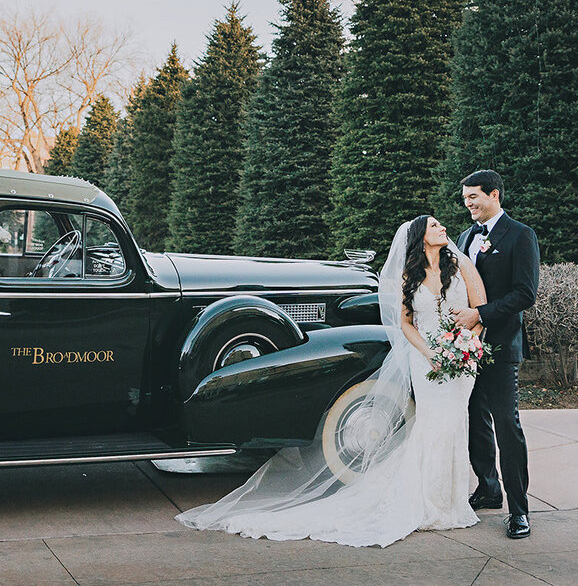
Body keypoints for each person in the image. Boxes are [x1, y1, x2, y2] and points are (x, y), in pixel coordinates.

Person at [177, 215, 487, 547]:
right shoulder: (409, 276)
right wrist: (429, 353)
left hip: (461, 359)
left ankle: (452, 503)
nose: (442, 229)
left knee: (455, 423)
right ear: (421, 238)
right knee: (433, 425)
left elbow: (480, 309)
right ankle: (431, 502)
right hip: (426, 360)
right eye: (434, 226)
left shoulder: (462, 265)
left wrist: (467, 345)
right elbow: (406, 324)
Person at [450, 170, 539, 540]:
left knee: (507, 425)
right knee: (473, 420)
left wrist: (481, 315)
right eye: (466, 198)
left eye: (474, 197)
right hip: (465, 347)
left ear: (494, 195)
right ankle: (488, 488)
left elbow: (525, 294)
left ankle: (520, 511)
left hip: (501, 347)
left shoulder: (521, 235)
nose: (468, 203)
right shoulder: (464, 237)